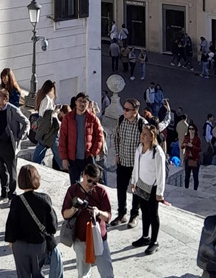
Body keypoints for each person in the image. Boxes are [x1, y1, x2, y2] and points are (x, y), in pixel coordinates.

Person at [5, 164, 60, 278]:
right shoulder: (45, 199)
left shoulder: (16, 201)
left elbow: (11, 224)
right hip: (38, 244)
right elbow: (52, 227)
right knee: (37, 273)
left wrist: (11, 241)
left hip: (20, 245)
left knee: (23, 274)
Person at [62, 161, 113, 278]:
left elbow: (108, 216)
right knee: (83, 274)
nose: (91, 184)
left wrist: (98, 212)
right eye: (89, 180)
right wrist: (74, 209)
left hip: (99, 238)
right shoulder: (73, 190)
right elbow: (65, 214)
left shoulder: (101, 192)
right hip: (81, 238)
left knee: (107, 272)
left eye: (95, 182)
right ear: (84, 175)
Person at [129, 121, 166, 254]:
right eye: (142, 134)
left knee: (153, 214)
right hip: (141, 185)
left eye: (145, 135)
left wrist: (160, 192)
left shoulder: (157, 152)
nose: (142, 136)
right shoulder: (139, 148)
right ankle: (145, 236)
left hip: (153, 188)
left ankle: (154, 241)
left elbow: (161, 173)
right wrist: (134, 181)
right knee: (144, 211)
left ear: (152, 137)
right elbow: (136, 166)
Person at [0, 87, 30, 201]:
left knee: (12, 172)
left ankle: (12, 195)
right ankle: (3, 193)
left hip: (10, 146)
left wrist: (19, 137)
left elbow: (26, 123)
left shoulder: (13, 110)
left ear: (5, 98)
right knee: (1, 171)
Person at [111, 98, 146, 227]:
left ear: (135, 111)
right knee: (121, 188)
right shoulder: (121, 121)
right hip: (123, 161)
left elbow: (147, 144)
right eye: (124, 108)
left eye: (127, 109)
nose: (124, 111)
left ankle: (134, 215)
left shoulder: (142, 124)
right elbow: (115, 137)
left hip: (137, 164)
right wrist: (117, 154)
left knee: (136, 190)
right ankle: (121, 214)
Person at [58, 92, 104, 185]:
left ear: (88, 104)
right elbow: (62, 138)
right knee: (74, 186)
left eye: (85, 102)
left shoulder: (92, 118)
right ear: (75, 102)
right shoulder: (68, 118)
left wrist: (93, 153)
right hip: (72, 159)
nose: (82, 104)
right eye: (80, 101)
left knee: (89, 185)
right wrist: (64, 158)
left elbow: (99, 136)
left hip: (87, 158)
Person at [31, 80, 63, 169]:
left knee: (44, 145)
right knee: (51, 145)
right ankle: (63, 166)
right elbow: (44, 114)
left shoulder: (44, 98)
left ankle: (37, 163)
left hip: (48, 126)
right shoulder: (46, 99)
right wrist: (55, 111)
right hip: (49, 127)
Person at [181, 123, 201, 190]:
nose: (191, 130)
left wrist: (192, 146)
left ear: (195, 130)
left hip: (195, 159)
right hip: (187, 158)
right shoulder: (186, 137)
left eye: (192, 129)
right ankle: (186, 188)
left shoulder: (197, 139)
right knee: (187, 176)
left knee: (195, 176)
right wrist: (184, 144)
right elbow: (182, 146)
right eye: (190, 129)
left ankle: (195, 190)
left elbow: (199, 149)